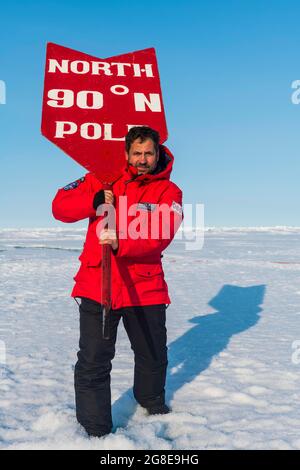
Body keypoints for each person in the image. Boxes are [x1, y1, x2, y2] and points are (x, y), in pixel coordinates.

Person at [52, 126, 183, 438]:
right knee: (94, 360)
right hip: (98, 284)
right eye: (136, 153)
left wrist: (120, 242)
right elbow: (59, 207)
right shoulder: (102, 178)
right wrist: (92, 200)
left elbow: (161, 233)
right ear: (126, 153)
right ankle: (96, 430)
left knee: (152, 355)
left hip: (144, 287)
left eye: (148, 153)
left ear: (158, 153)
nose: (142, 159)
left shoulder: (169, 192)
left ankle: (150, 402)